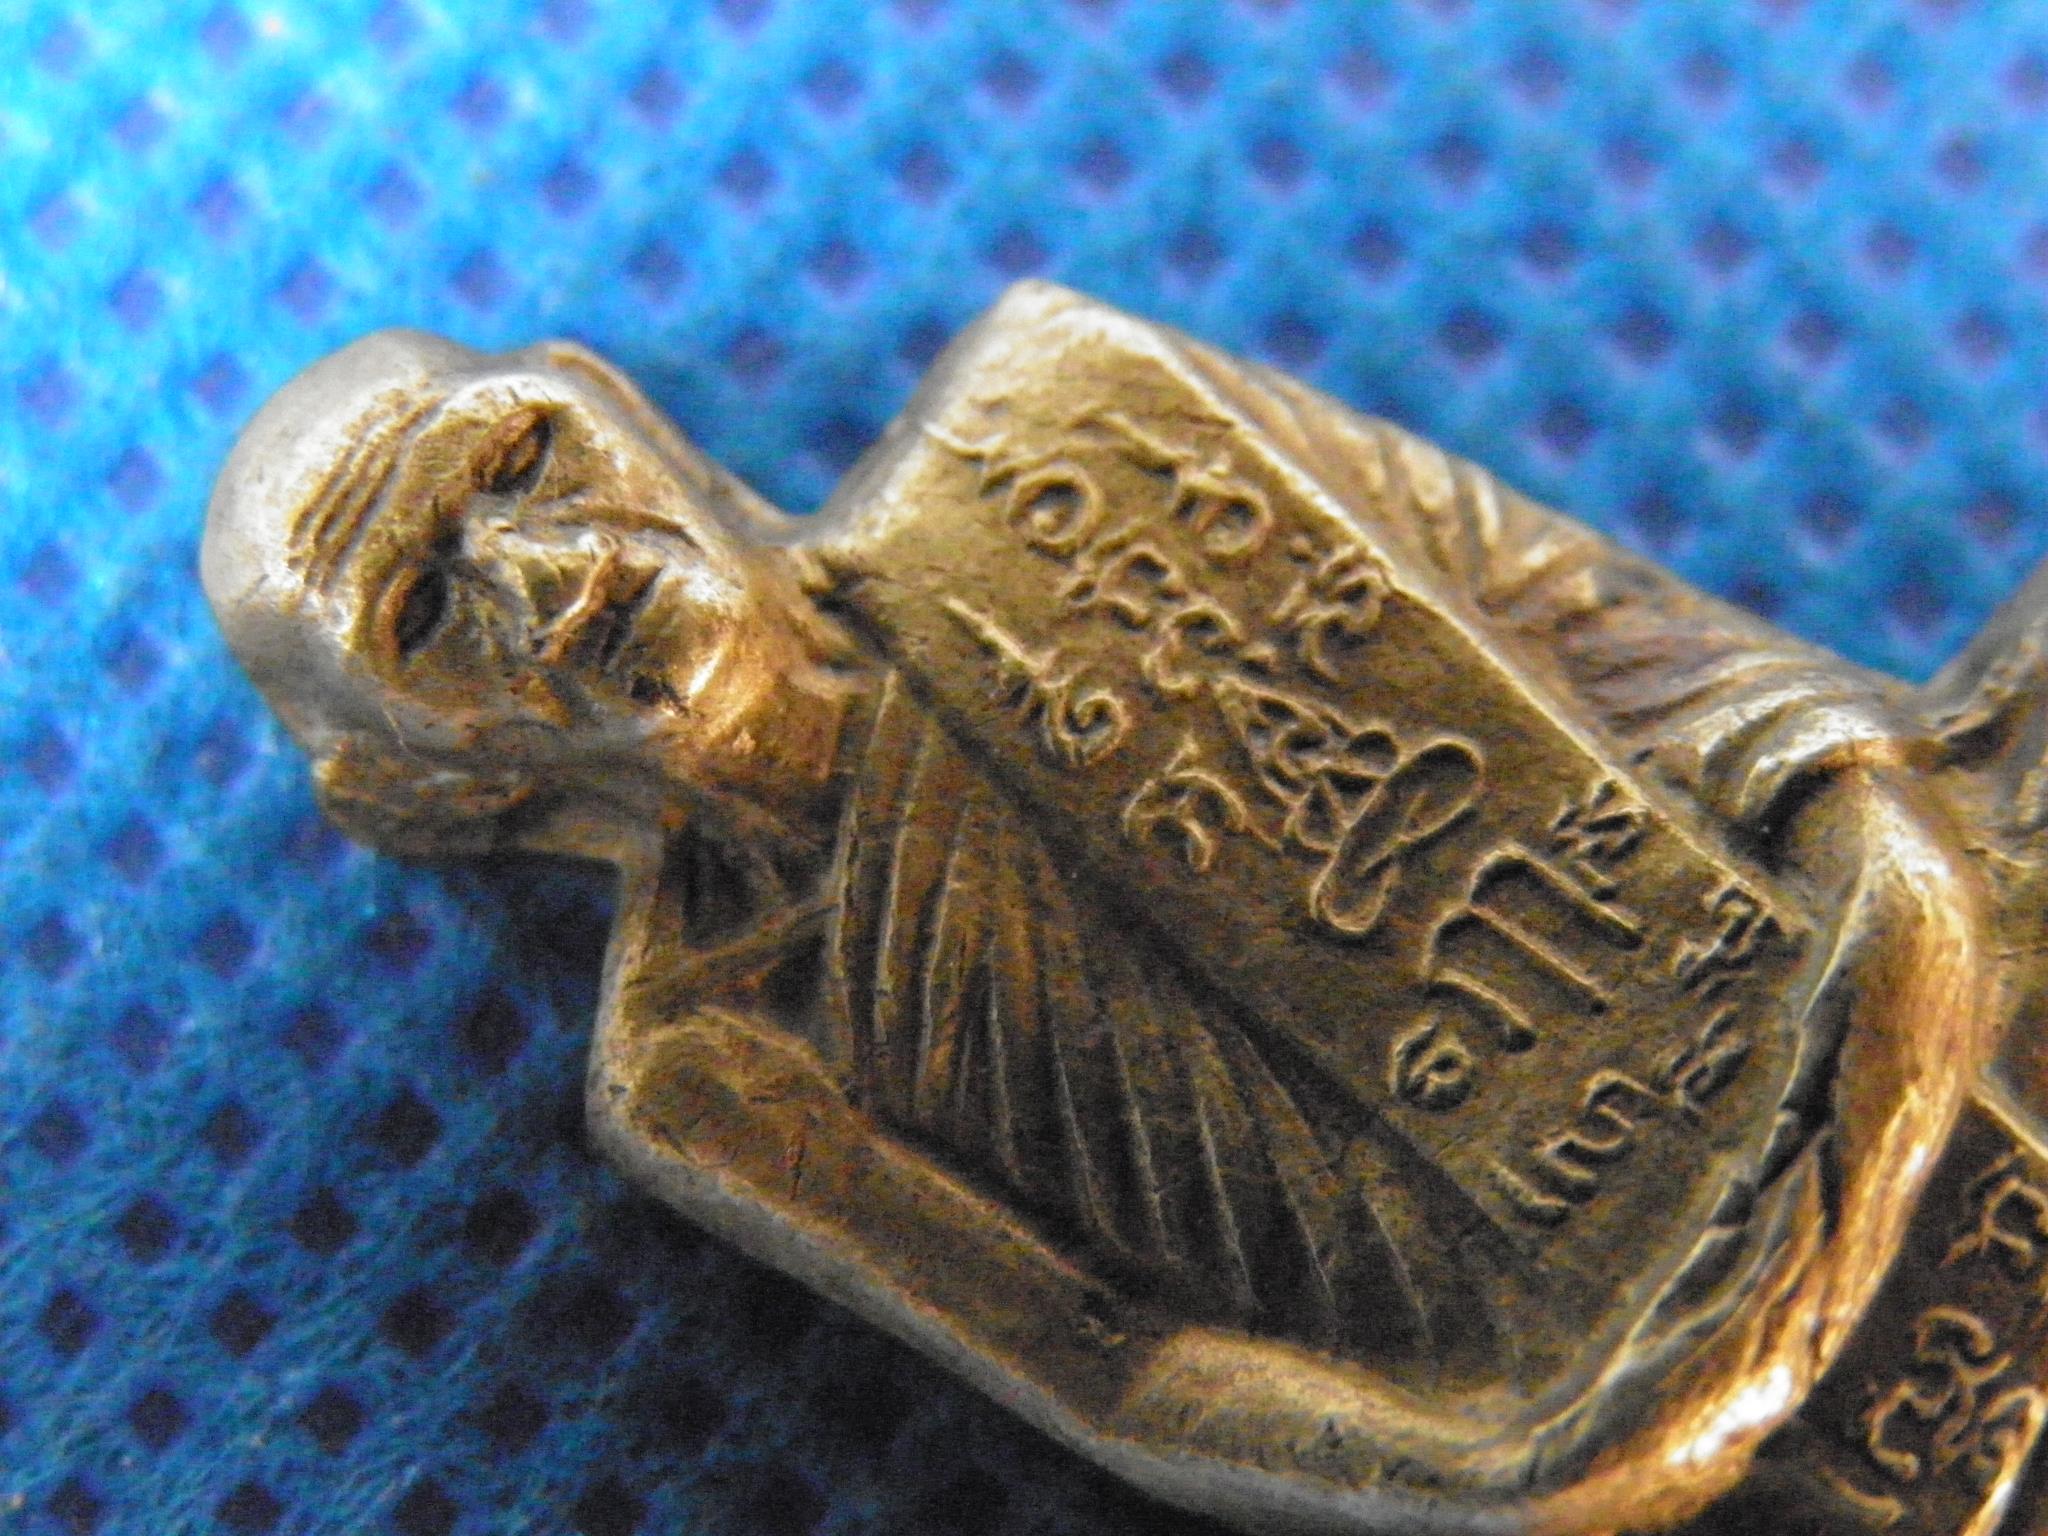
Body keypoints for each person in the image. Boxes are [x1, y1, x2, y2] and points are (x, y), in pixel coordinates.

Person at [203, 283, 1982, 1533]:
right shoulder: (711, 1058)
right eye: (426, 612)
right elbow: (1115, 1358)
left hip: (1907, 984)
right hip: (1658, 1425)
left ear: (617, 404)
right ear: (416, 783)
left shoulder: (1053, 412)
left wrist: (1878, 839)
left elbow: (1589, 620)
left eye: (524, 463)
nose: (556, 578)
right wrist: (1507, 1465)